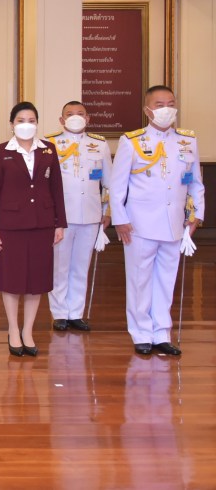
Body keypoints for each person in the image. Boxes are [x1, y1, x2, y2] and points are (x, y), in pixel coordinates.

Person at [110, 85, 204, 356]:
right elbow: (118, 186)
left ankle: (161, 333)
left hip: (174, 223)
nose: (166, 109)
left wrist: (196, 215)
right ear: (147, 110)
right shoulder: (132, 141)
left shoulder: (187, 141)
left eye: (171, 104)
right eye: (159, 105)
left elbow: (195, 183)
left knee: (166, 280)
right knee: (139, 280)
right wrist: (120, 218)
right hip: (139, 225)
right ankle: (141, 333)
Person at [0, 101, 66, 358]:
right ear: (12, 124)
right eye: (21, 120)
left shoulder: (48, 150)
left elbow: (56, 188)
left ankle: (28, 330)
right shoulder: (1, 151)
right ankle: (13, 329)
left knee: (36, 280)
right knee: (11, 279)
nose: (26, 124)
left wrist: (60, 223)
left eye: (31, 120)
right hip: (10, 225)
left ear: (37, 123)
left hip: (42, 223)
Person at [45, 101, 112, 332]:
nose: (75, 117)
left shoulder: (99, 144)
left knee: (81, 266)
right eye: (70, 114)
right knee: (59, 267)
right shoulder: (50, 143)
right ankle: (59, 313)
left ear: (88, 118)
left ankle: (76, 313)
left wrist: (107, 211)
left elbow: (108, 182)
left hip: (90, 214)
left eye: (80, 113)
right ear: (61, 119)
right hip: (60, 217)